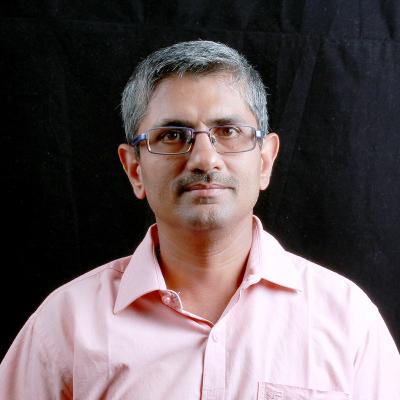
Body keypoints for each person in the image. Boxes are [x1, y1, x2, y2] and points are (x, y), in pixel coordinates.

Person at [1, 40, 399, 400]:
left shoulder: (347, 320)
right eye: (173, 135)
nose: (205, 159)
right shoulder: (66, 326)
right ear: (134, 169)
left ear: (264, 161)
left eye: (228, 131)